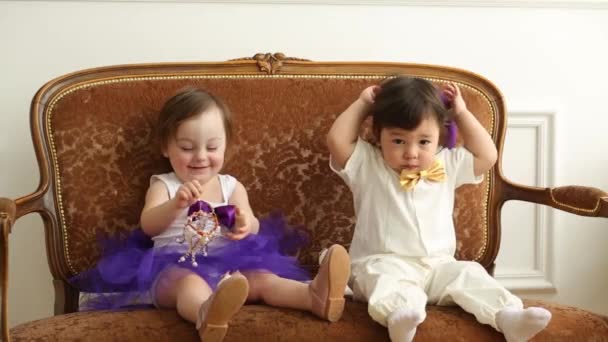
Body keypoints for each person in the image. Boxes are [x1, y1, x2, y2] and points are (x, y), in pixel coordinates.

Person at [73, 87, 350, 342]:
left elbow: (251, 224)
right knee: (189, 284)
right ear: (165, 147)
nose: (201, 157)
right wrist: (176, 205)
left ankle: (313, 295)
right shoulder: (165, 184)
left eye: (212, 147)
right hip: (174, 265)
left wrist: (243, 224)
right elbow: (148, 225)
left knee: (263, 278)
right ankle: (207, 314)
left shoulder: (231, 186)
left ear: (226, 146)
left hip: (229, 265)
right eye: (186, 148)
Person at [326, 76, 551, 342]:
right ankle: (400, 318)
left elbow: (487, 156)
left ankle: (508, 317)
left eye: (423, 142)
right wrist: (364, 105)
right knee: (384, 281)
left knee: (469, 274)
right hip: (383, 262)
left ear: (439, 137)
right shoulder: (367, 163)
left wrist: (462, 113)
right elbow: (337, 140)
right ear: (379, 135)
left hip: (438, 266)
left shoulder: (447, 164)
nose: (411, 152)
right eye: (398, 141)